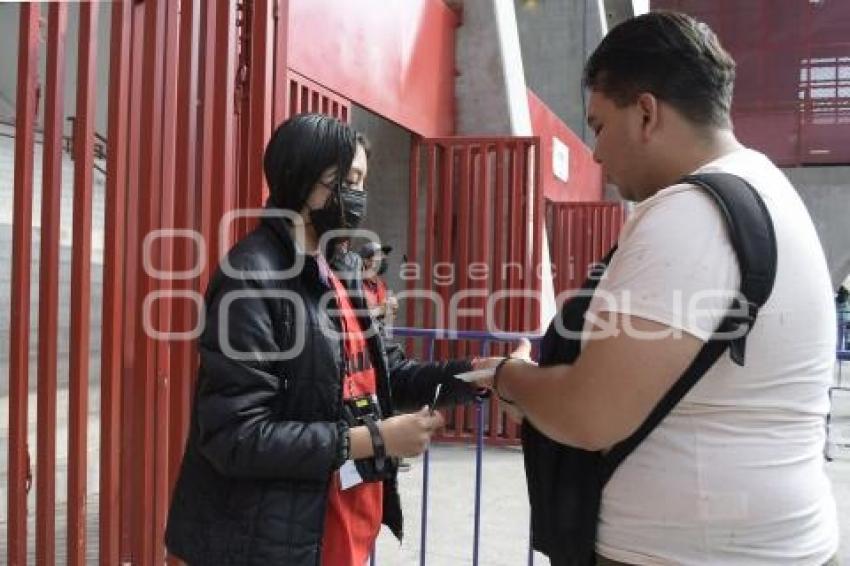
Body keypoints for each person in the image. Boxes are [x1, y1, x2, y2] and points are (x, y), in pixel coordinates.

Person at [488, 12, 840, 565]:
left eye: (599, 126)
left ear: (646, 113)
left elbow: (590, 413)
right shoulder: (765, 188)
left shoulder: (691, 213)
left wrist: (510, 379)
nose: (596, 154)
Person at [165, 113, 513, 565]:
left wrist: (478, 375)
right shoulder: (250, 278)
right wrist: (372, 440)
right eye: (346, 181)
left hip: (343, 527)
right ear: (300, 177)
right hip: (268, 542)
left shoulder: (343, 269)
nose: (357, 194)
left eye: (362, 181)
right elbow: (236, 435)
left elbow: (390, 374)